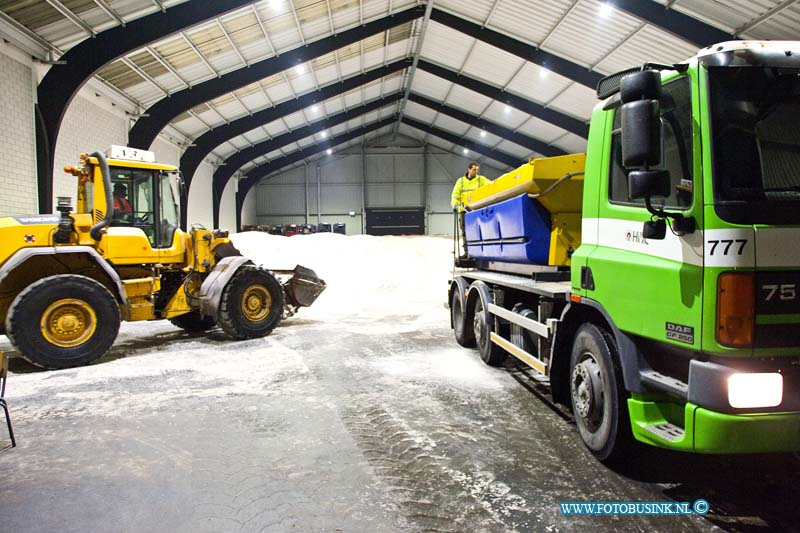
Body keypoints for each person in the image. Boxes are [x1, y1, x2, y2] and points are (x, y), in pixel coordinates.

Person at [450, 162, 491, 260]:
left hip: (476, 209)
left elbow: (491, 185)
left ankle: (479, 252)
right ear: (469, 169)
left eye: (477, 170)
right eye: (474, 170)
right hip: (463, 210)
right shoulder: (461, 181)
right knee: (465, 232)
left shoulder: (481, 179)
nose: (476, 171)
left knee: (478, 231)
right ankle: (467, 253)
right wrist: (454, 205)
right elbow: (455, 194)